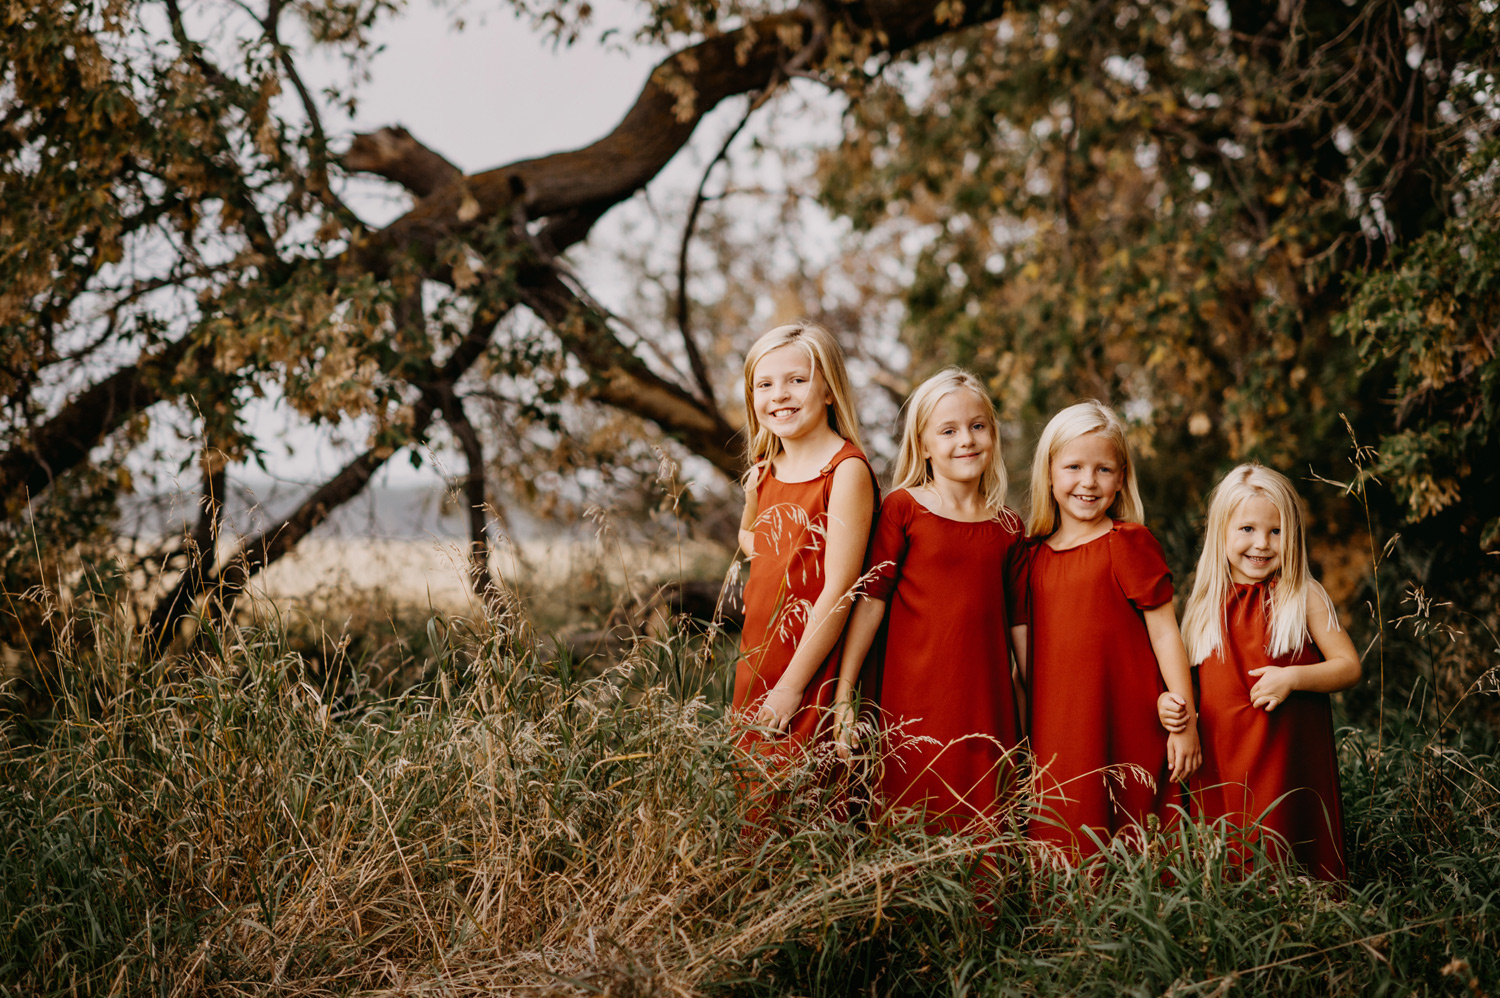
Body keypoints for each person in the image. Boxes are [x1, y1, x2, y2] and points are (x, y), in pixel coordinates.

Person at [831, 369, 1025, 832]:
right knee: (909, 825)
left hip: (985, 708)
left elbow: (1021, 629)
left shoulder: (1009, 528)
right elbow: (872, 601)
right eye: (949, 430)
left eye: (978, 426)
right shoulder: (903, 508)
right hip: (911, 705)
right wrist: (844, 695)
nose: (966, 440)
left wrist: (1034, 714)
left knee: (982, 832)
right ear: (924, 443)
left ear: (993, 435)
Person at [1009, 400, 1200, 860]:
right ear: (1049, 473)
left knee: (1139, 839)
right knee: (1065, 835)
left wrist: (1185, 720)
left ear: (1121, 478)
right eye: (1074, 466)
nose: (1088, 482)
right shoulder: (1028, 557)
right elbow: (1025, 662)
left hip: (1129, 719)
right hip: (1060, 728)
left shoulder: (1128, 542)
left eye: (1103, 469)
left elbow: (1165, 634)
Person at [1160, 463, 1359, 880]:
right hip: (1223, 758)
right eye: (1247, 529)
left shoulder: (1302, 595)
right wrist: (1170, 705)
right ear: (1222, 534)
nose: (1262, 544)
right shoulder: (1204, 605)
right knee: (1229, 857)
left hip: (1285, 760)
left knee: (1287, 853)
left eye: (1276, 531)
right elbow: (1186, 682)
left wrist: (1293, 678)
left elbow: (1348, 667)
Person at [735, 320, 877, 770]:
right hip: (756, 656)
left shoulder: (845, 471)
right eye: (765, 384)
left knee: (794, 806)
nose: (779, 394)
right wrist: (751, 501)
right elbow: (754, 544)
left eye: (797, 380)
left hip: (808, 663)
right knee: (745, 805)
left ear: (829, 391)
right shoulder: (764, 468)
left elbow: (840, 587)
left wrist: (792, 685)